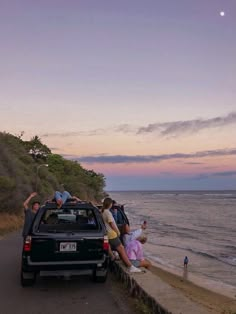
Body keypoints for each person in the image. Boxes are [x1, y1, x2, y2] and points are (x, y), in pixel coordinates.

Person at [101, 197, 142, 273]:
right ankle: (130, 267)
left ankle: (112, 257)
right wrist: (117, 232)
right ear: (110, 204)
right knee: (121, 249)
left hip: (106, 234)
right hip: (111, 234)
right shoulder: (107, 212)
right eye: (111, 204)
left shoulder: (102, 212)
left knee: (108, 246)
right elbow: (111, 223)